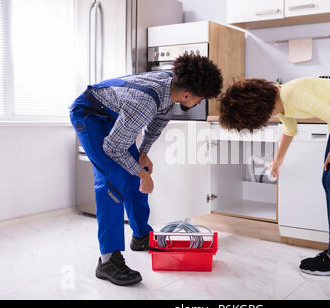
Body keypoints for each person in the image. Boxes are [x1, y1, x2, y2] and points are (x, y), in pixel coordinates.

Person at [69, 53, 223, 286]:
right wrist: (141, 174)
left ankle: (141, 236)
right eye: (200, 99)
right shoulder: (144, 103)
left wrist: (143, 155)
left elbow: (156, 124)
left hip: (113, 114)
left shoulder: (170, 85)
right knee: (112, 179)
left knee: (133, 174)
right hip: (89, 115)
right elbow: (113, 148)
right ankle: (108, 260)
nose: (200, 103)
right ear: (187, 95)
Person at [219, 77, 330, 277]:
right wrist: (277, 161)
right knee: (329, 181)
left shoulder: (292, 96)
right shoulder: (278, 99)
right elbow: (290, 129)